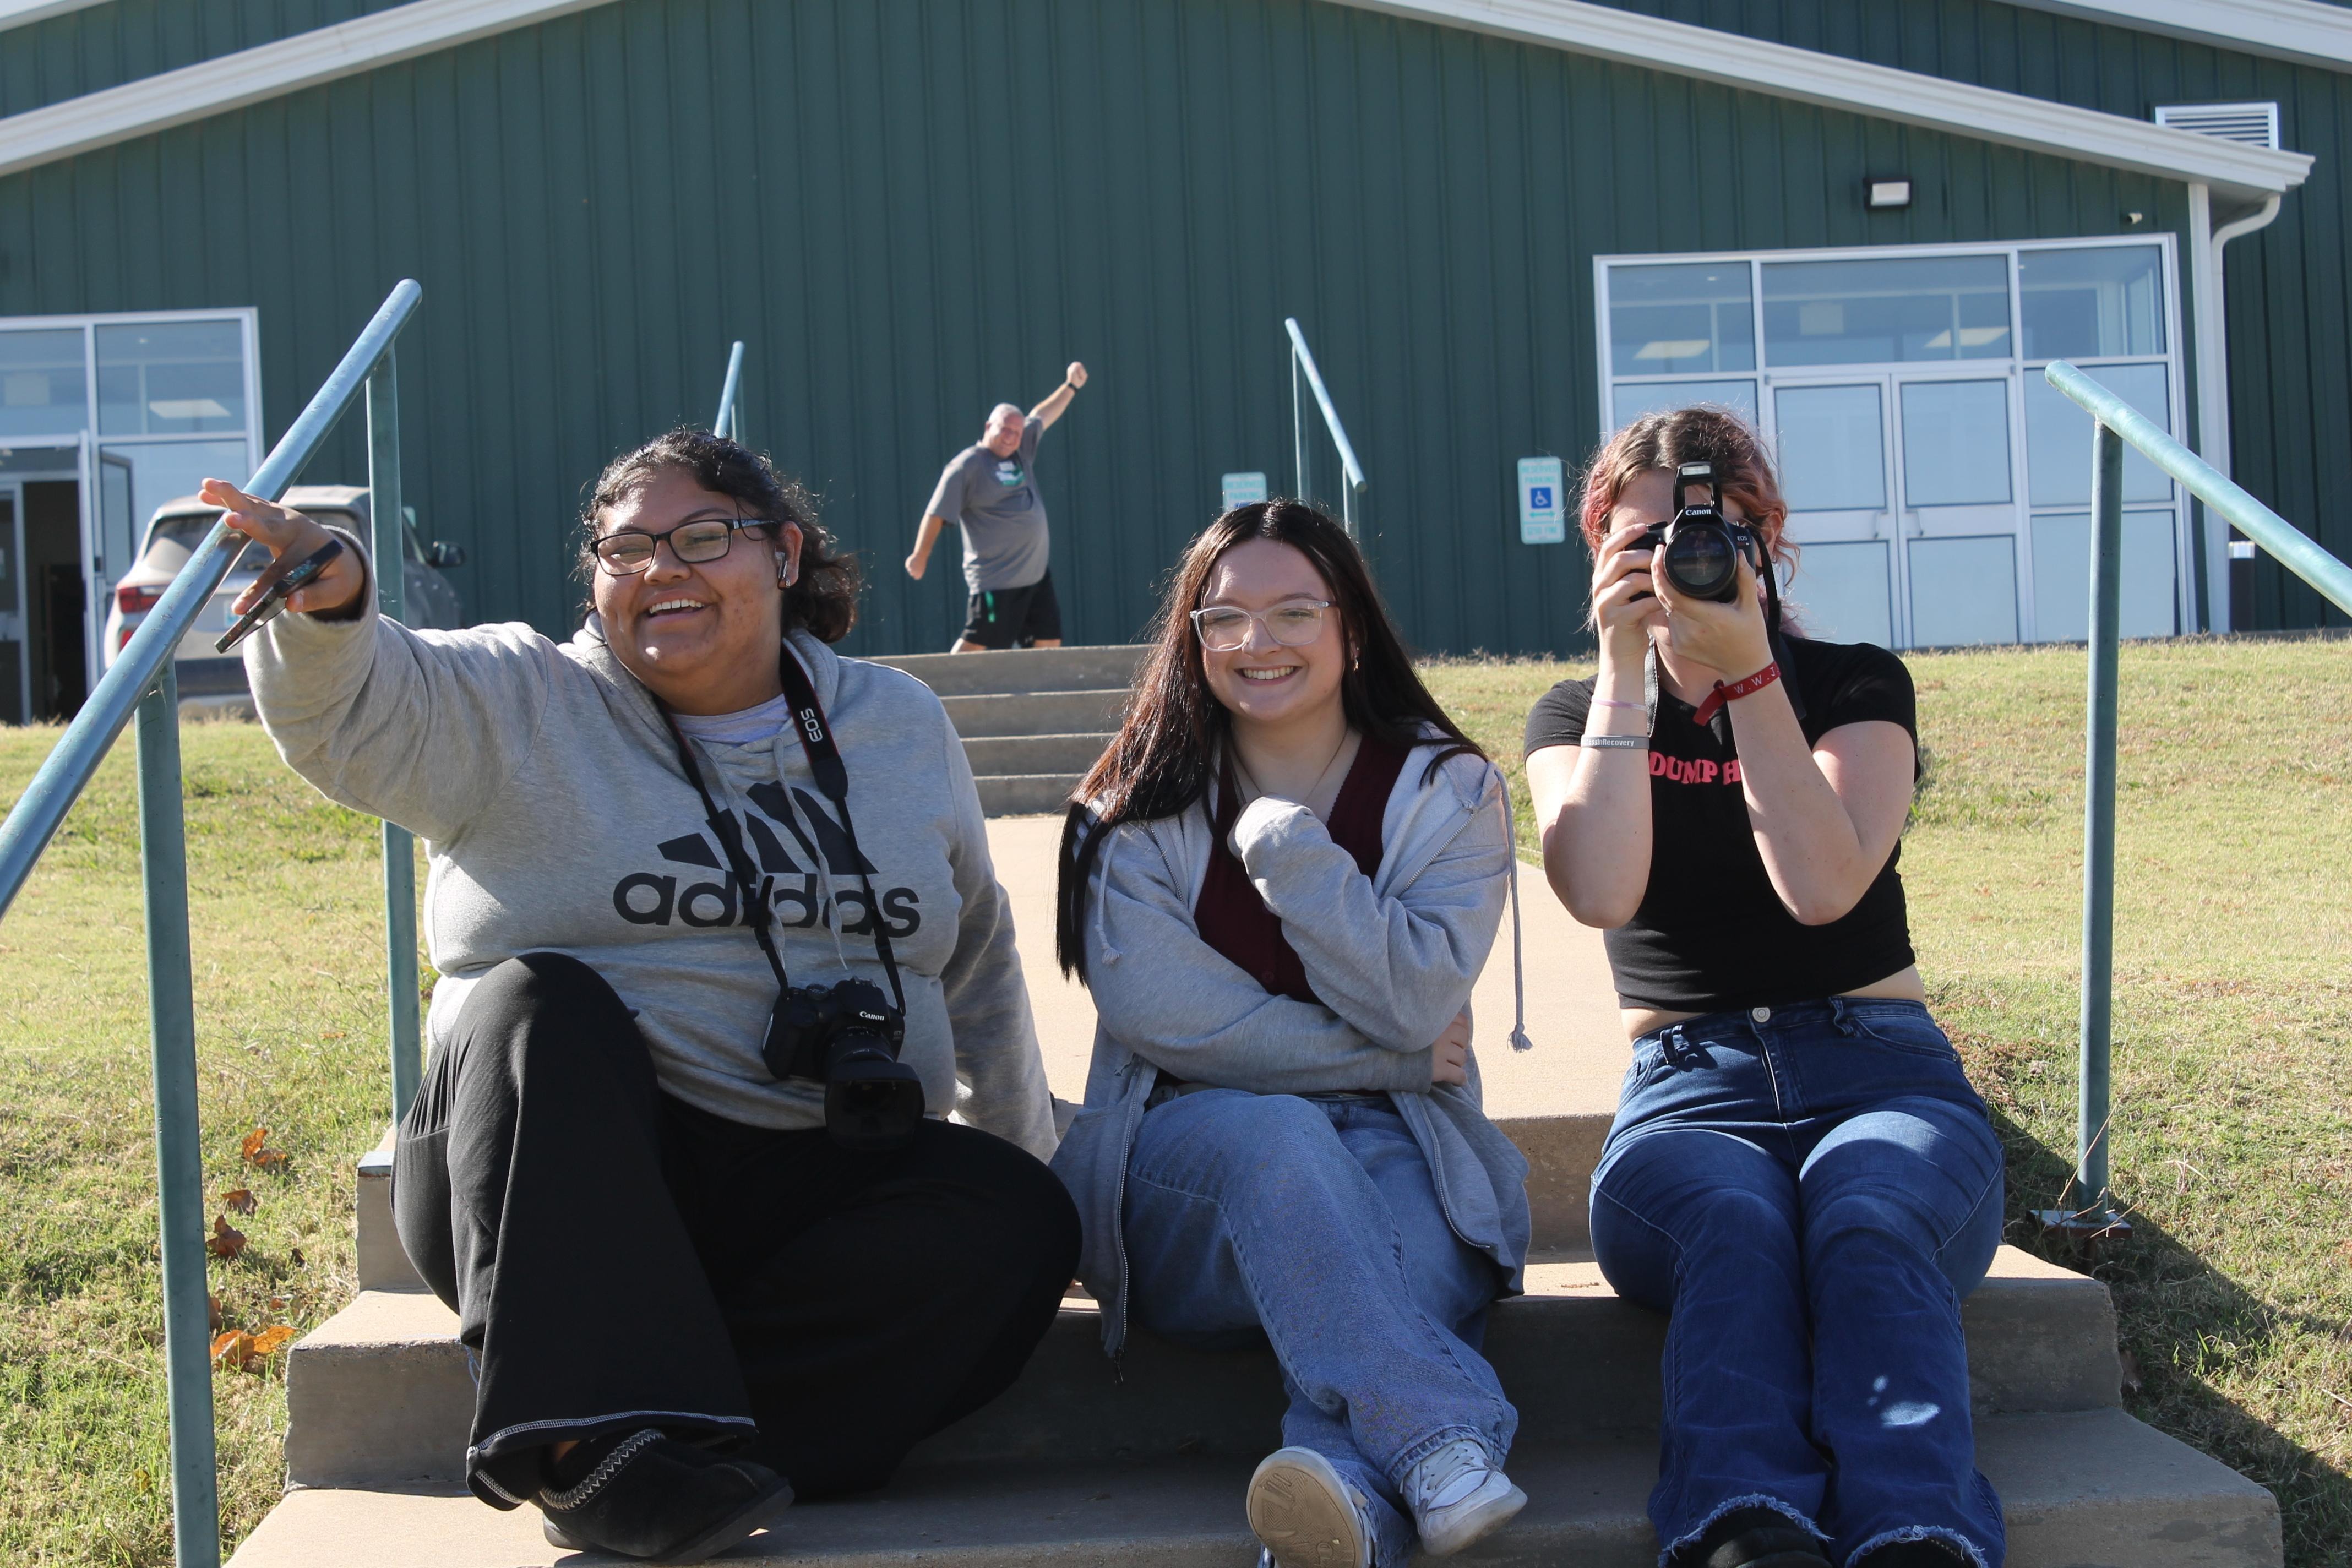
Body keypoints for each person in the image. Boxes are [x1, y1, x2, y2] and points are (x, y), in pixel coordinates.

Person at [204, 429, 1080, 1566]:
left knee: (1018, 1215)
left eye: (704, 536)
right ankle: (578, 1448)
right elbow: (364, 708)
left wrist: (1020, 1144)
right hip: (555, 1178)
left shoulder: (897, 723)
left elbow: (974, 955)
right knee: (535, 1002)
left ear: (784, 554)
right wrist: (334, 604)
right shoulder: (525, 699)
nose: (661, 566)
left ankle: (681, 1430)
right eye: (625, 547)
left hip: (809, 1175)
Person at [1523, 407, 2006, 1568]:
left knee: (1871, 1209)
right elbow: (1596, 887)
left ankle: (1916, 1534)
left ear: (1765, 539)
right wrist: (1624, 670)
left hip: (1882, 1065)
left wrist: (1748, 677)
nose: (1680, 557)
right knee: (1732, 1223)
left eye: (1711, 532)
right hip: (1691, 1087)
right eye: (1645, 537)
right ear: (1599, 550)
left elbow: (1827, 886)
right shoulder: (1572, 715)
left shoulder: (1851, 683)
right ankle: (1746, 1530)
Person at [1051, 500, 1536, 1568]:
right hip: (1190, 1172)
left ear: (1351, 626)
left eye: (1291, 611)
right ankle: (1440, 1437)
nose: (1254, 642)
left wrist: (1292, 854)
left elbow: (1414, 993)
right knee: (1281, 1140)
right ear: (1193, 639)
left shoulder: (1448, 793)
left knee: (1404, 1243)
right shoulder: (1127, 807)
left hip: (1405, 1145)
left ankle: (1350, 1508)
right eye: (1222, 619)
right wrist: (1392, 1061)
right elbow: (1178, 1025)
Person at [904, 361, 1088, 651]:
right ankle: (947, 688)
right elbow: (937, 513)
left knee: (1049, 640)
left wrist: (1071, 386)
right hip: (997, 580)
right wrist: (920, 555)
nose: (1011, 437)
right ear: (989, 426)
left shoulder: (1021, 449)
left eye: (1017, 432)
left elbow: (1042, 415)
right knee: (977, 644)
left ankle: (1035, 695)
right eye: (1005, 429)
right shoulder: (967, 466)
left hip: (1036, 575)